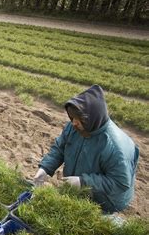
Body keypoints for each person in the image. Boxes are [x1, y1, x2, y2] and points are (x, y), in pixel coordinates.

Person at [34, 85, 139, 214]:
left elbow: (120, 183)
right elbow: (60, 148)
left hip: (107, 200)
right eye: (72, 117)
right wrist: (45, 168)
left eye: (79, 119)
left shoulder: (114, 147)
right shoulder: (75, 127)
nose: (74, 123)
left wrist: (84, 182)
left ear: (93, 119)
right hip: (82, 190)